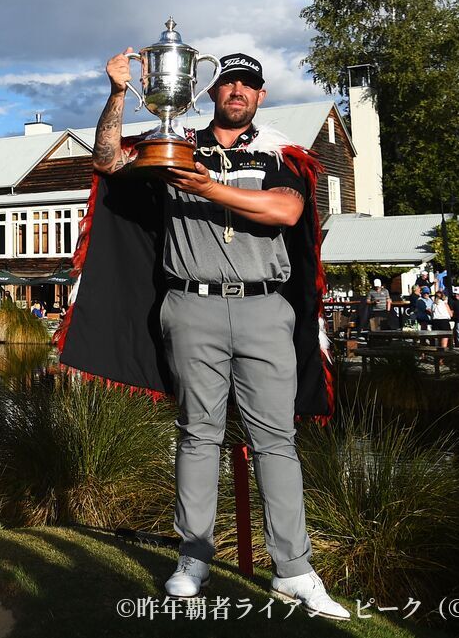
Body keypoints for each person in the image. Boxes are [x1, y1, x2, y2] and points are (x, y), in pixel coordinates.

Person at [60, 48, 348, 619]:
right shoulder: (176, 145)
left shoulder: (279, 153)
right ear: (209, 90)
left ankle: (294, 569)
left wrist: (207, 188)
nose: (237, 92)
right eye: (229, 83)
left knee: (276, 441)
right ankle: (192, 557)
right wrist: (118, 92)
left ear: (261, 96)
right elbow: (106, 162)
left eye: (249, 85)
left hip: (265, 309)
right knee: (197, 434)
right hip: (191, 307)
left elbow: (286, 212)